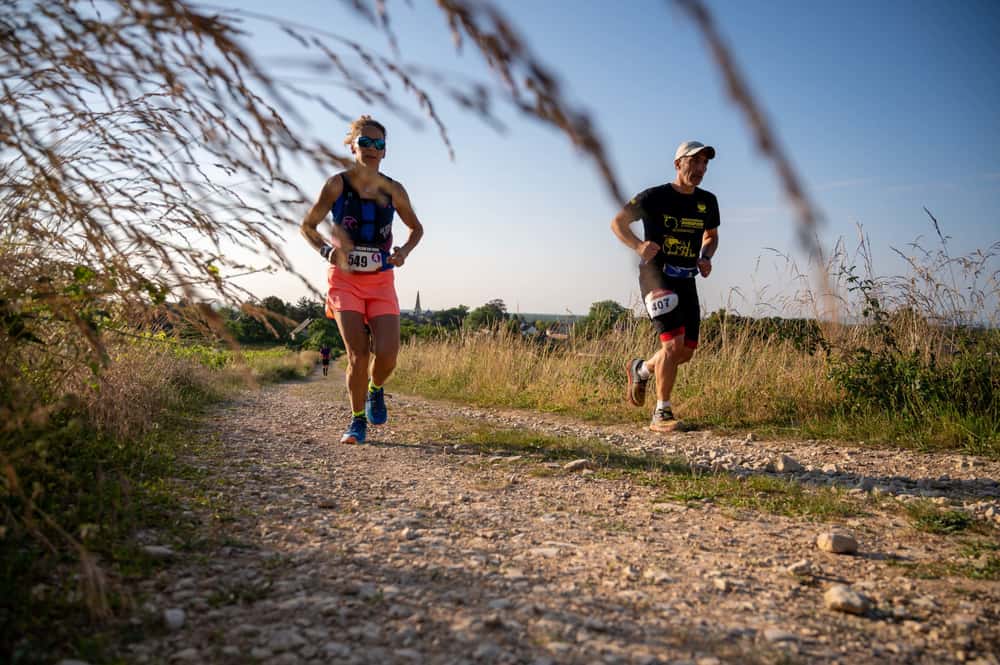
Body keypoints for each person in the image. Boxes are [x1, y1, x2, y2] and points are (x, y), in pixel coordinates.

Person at [300, 115, 424, 444]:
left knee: (387, 353)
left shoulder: (394, 189)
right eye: (365, 142)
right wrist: (326, 250)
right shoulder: (337, 184)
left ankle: (375, 389)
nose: (371, 148)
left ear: (385, 151)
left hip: (381, 279)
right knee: (358, 354)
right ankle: (356, 421)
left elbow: (417, 229)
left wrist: (404, 252)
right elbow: (307, 226)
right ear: (352, 145)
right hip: (344, 279)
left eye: (378, 144)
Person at [610, 141, 720, 432]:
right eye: (694, 162)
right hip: (656, 274)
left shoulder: (708, 201)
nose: (700, 169)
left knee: (685, 351)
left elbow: (711, 236)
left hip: (686, 278)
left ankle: (641, 369)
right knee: (672, 345)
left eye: (704, 164)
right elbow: (618, 223)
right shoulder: (654, 196)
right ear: (677, 164)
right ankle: (662, 413)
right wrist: (638, 245)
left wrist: (705, 257)